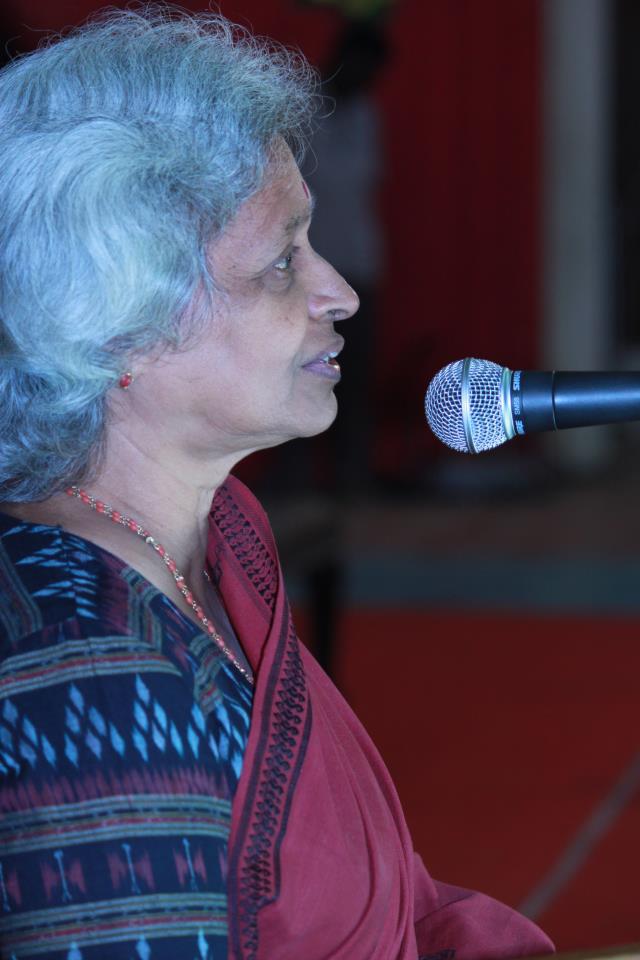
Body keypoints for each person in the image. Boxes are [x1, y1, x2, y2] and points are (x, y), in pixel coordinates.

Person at [0, 5, 554, 958]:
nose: (339, 291)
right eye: (283, 261)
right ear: (120, 322)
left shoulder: (222, 533)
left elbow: (390, 905)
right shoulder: (78, 667)